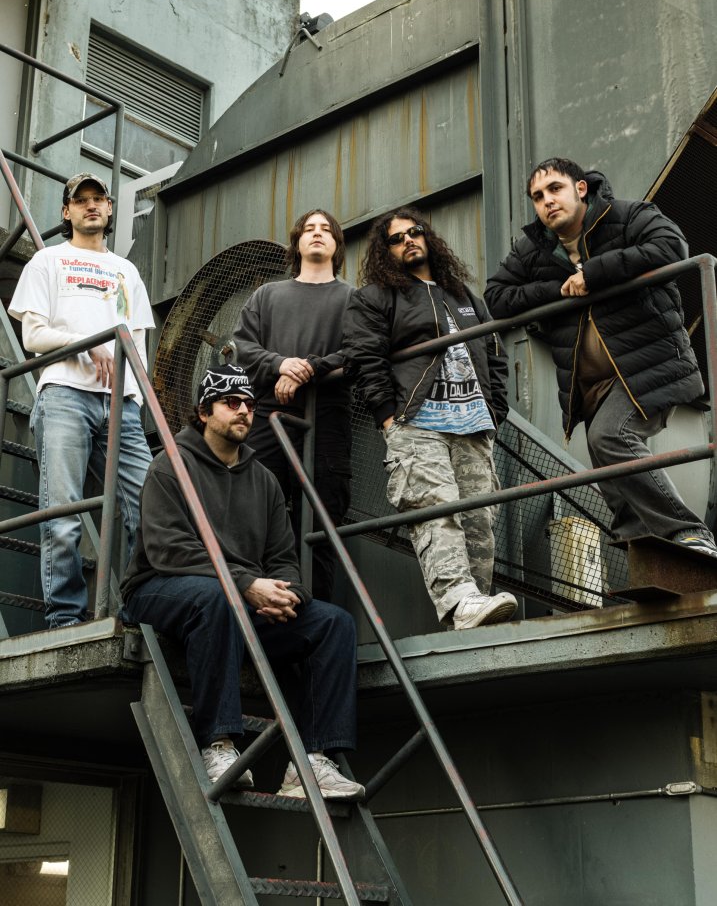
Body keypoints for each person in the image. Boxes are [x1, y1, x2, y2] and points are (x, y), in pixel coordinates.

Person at [121, 363, 364, 799]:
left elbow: (283, 558)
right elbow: (169, 550)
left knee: (333, 623)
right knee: (216, 598)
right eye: (230, 403)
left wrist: (288, 595)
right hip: (159, 588)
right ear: (203, 412)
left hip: (237, 598)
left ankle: (311, 765)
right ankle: (217, 744)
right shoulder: (169, 466)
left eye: (250, 404)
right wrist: (246, 585)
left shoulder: (264, 480)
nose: (244, 411)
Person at [484, 156, 716, 556]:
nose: (546, 201)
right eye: (537, 196)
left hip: (648, 366)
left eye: (555, 189)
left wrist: (593, 274)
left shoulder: (627, 216)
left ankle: (689, 532)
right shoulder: (534, 248)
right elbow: (496, 297)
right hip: (590, 384)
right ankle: (642, 551)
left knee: (610, 436)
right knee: (608, 469)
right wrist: (558, 290)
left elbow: (671, 247)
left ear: (580, 188)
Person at [343, 207, 517, 630]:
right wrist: (388, 418)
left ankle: (475, 609)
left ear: (428, 238)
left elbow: (494, 353)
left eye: (415, 232)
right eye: (396, 238)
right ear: (385, 251)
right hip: (417, 422)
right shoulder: (376, 297)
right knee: (435, 510)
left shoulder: (464, 296)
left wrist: (495, 411)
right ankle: (459, 601)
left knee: (479, 521)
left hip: (473, 425)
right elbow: (365, 358)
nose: (409, 240)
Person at [9, 171, 154, 628]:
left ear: (109, 209)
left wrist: (136, 398)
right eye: (81, 200)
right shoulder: (48, 260)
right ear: (66, 212)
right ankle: (65, 617)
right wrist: (86, 344)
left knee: (150, 506)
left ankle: (138, 608)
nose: (91, 205)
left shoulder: (126, 271)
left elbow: (137, 342)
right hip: (65, 394)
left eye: (99, 199)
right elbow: (33, 336)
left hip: (122, 404)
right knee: (64, 512)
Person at [233, 209, 353, 601]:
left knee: (320, 524)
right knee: (254, 513)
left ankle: (314, 613)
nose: (317, 234)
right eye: (309, 229)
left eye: (326, 230)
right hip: (269, 417)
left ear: (336, 245)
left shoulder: (352, 298)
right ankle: (259, 605)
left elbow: (360, 351)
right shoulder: (267, 295)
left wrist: (307, 370)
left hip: (327, 419)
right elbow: (242, 347)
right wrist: (280, 364)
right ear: (297, 243)